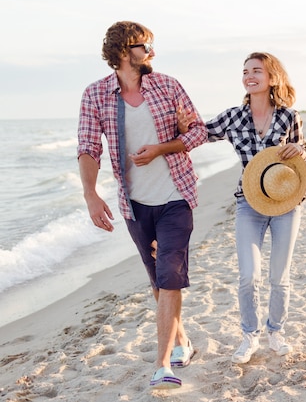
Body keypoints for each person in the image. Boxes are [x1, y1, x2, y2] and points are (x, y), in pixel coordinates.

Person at [77, 21, 207, 390]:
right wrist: (91, 194)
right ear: (122, 52)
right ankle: (181, 340)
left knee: (170, 277)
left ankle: (162, 364)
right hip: (134, 204)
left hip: (176, 196)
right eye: (144, 44)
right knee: (157, 279)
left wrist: (164, 147)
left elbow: (198, 130)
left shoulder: (168, 85)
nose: (152, 49)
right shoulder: (96, 94)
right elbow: (88, 147)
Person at [178, 52, 306, 364]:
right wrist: (181, 124)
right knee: (249, 275)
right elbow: (200, 134)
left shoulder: (289, 117)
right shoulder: (233, 117)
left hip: (285, 204)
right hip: (248, 203)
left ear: (272, 77)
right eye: (246, 71)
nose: (250, 76)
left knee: (279, 276)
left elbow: (303, 152)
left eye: (257, 71)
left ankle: (276, 331)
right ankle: (249, 335)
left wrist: (299, 150)